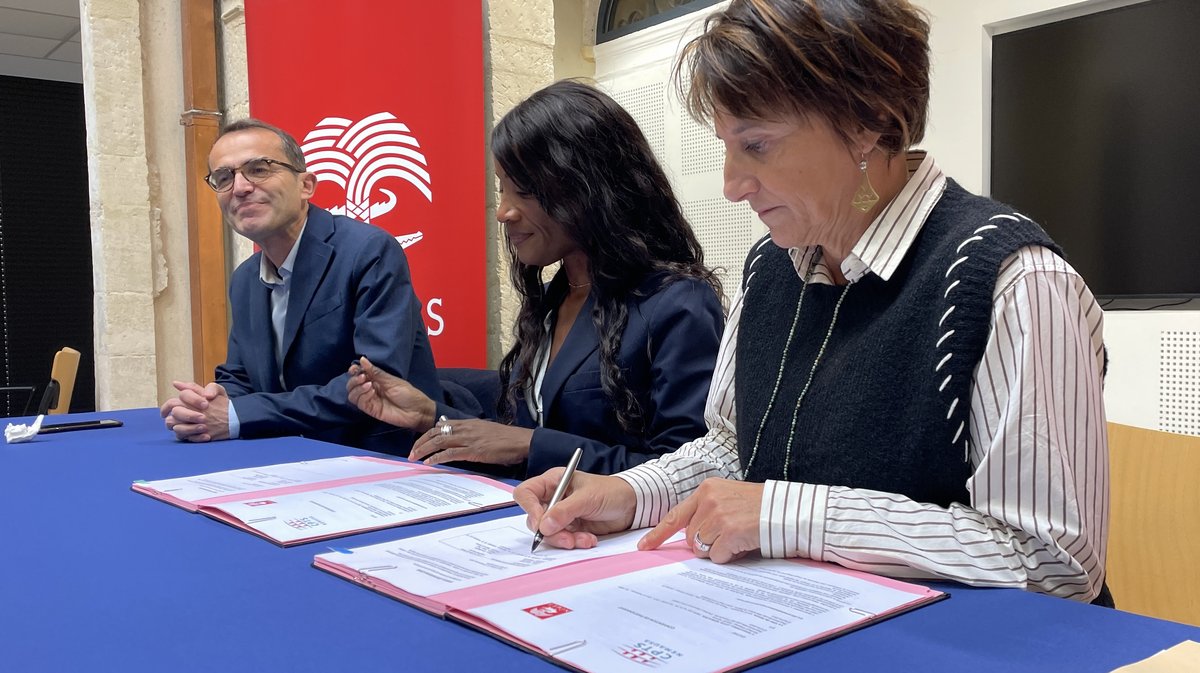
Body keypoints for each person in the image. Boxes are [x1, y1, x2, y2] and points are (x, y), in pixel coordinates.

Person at [514, 0, 1112, 605]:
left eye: (757, 145)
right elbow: (731, 446)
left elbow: (1055, 559)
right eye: (727, 145)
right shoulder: (772, 269)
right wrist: (632, 493)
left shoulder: (1011, 280)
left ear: (869, 121)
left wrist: (790, 514)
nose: (730, 183)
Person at [348, 80, 725, 477]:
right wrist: (430, 416)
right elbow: (513, 444)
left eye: (524, 190)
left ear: (589, 187)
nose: (503, 212)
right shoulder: (550, 301)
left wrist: (530, 445)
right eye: (501, 189)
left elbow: (687, 473)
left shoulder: (678, 303)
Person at [161, 118, 441, 452]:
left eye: (259, 169)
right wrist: (210, 403)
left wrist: (239, 414)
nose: (240, 188)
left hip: (379, 456)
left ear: (306, 185)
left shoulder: (369, 251)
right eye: (224, 177)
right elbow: (240, 377)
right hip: (287, 455)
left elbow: (373, 385)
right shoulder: (245, 279)